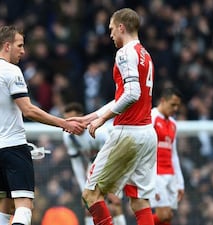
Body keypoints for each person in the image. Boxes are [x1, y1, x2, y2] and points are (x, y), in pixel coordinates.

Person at [0, 25, 85, 225]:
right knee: (25, 207)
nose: (23, 51)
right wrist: (63, 123)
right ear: (7, 46)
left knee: (3, 208)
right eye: (19, 45)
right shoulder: (11, 71)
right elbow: (28, 110)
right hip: (13, 146)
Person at [68, 8, 157, 225]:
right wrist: (91, 117)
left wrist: (101, 120)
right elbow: (125, 96)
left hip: (128, 132)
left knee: (90, 194)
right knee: (139, 201)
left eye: (111, 29)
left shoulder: (125, 53)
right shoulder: (145, 54)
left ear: (121, 27)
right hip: (147, 133)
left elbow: (132, 93)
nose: (110, 35)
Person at [62, 102, 126, 225]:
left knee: (115, 204)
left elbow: (114, 155)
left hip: (113, 164)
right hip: (94, 167)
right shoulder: (68, 136)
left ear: (80, 118)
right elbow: (77, 164)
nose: (69, 125)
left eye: (72, 121)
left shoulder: (99, 131)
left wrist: (112, 182)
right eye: (67, 121)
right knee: (89, 205)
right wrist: (82, 189)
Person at [150, 87, 185, 225]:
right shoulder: (151, 118)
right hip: (156, 174)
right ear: (163, 101)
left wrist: (180, 182)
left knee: (168, 217)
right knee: (163, 215)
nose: (175, 108)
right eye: (173, 104)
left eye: (178, 105)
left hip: (170, 174)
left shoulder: (173, 124)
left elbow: (174, 154)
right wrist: (149, 178)